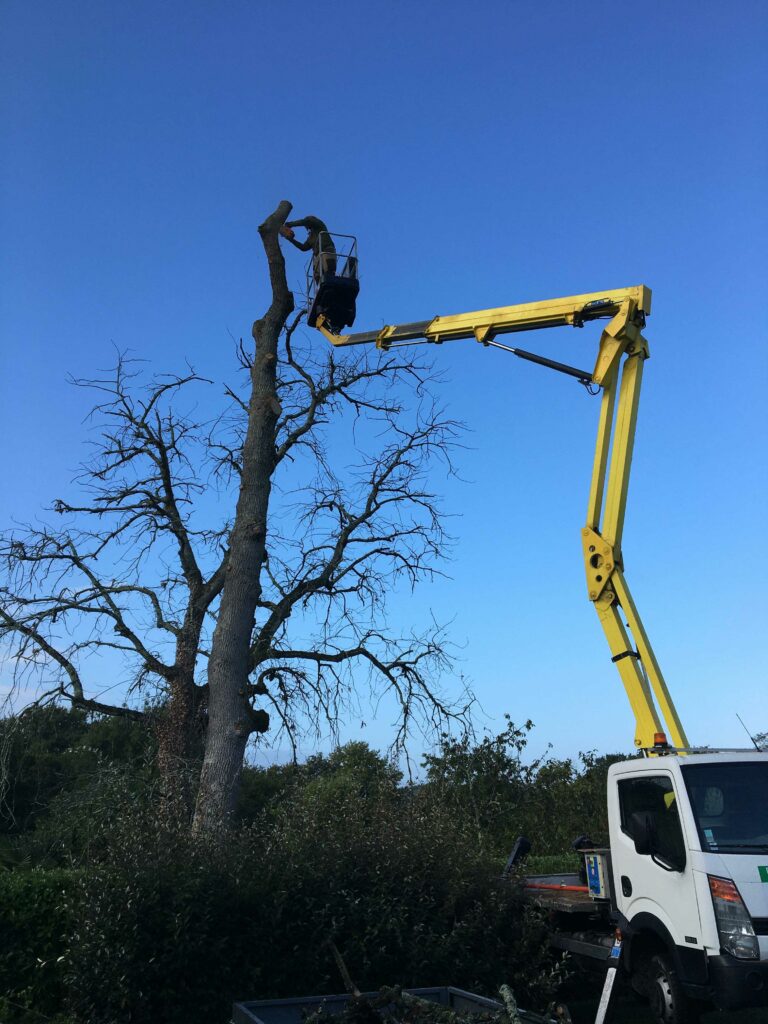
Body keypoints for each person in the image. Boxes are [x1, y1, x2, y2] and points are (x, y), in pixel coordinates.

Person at [280, 215, 336, 283]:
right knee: (317, 276)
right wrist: (291, 239)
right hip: (317, 256)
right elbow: (303, 247)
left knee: (329, 270)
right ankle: (320, 287)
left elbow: (306, 222)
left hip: (326, 250)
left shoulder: (319, 225)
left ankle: (329, 283)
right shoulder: (310, 237)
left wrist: (290, 224)